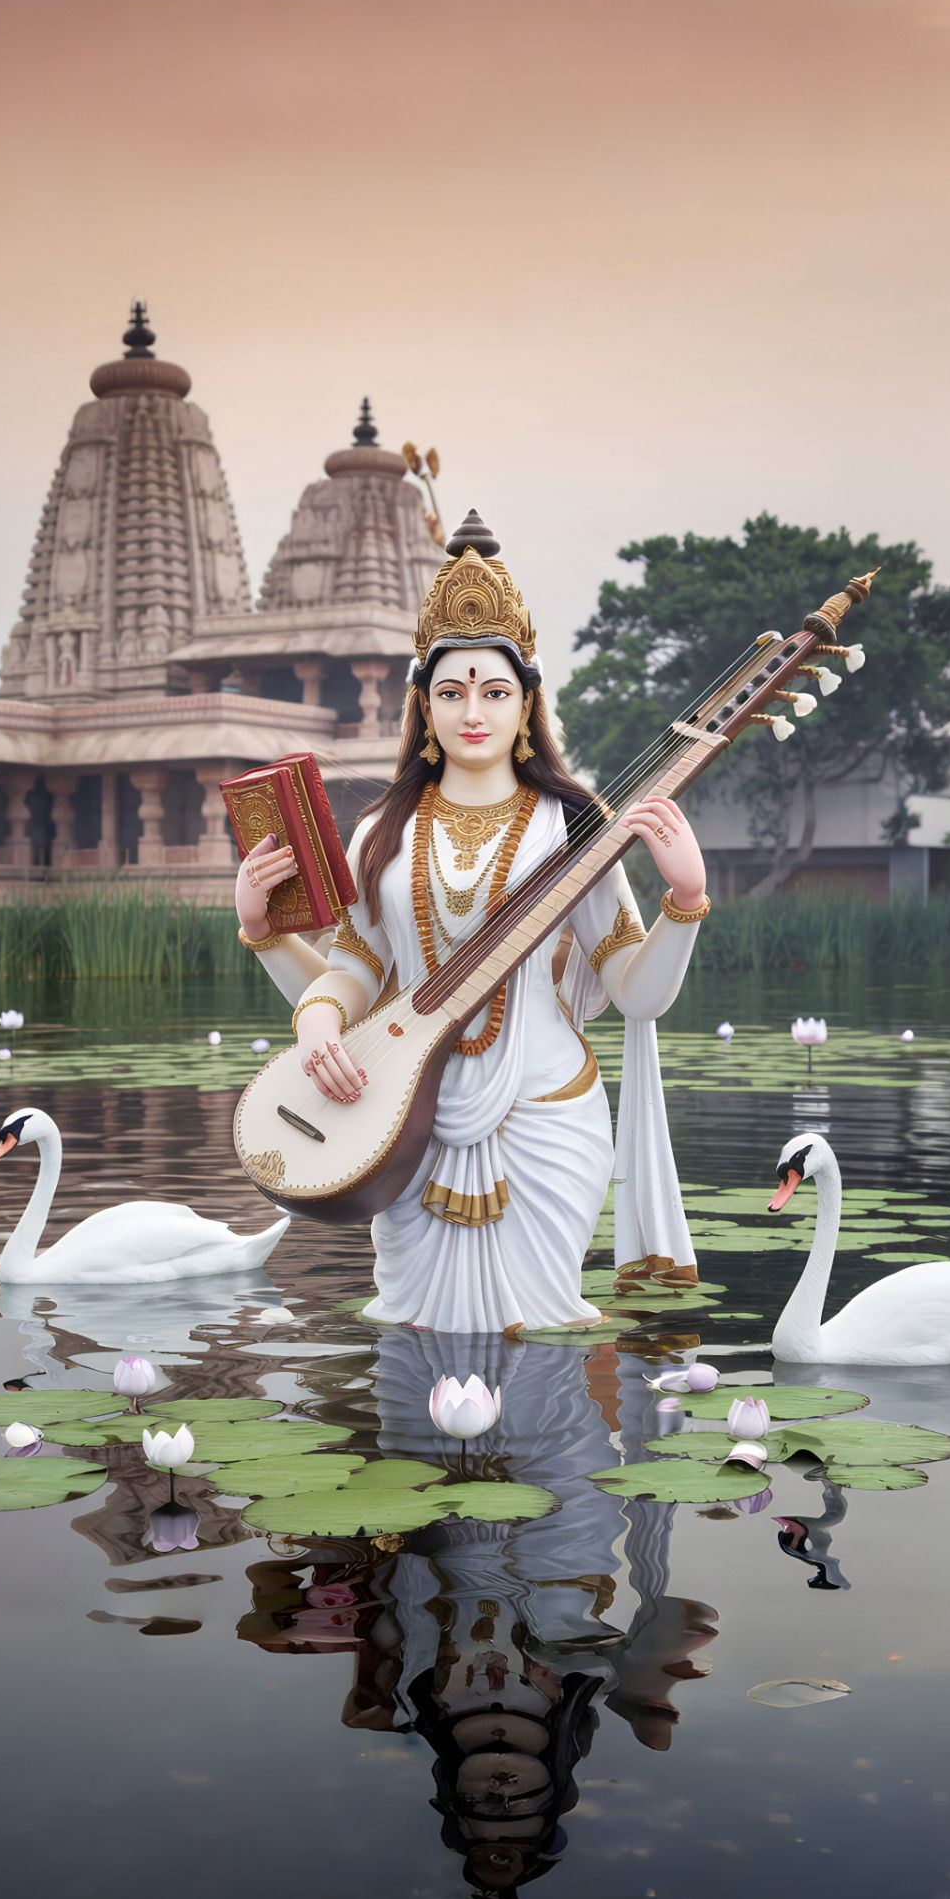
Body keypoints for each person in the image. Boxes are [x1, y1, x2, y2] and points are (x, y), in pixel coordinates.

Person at [233, 512, 710, 1334]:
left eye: (494, 692)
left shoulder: (577, 824)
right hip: (399, 1119)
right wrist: (280, 956)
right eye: (451, 693)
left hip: (547, 1118)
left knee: (546, 1336)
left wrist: (686, 901)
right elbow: (357, 971)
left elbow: (637, 996)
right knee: (414, 1336)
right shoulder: (385, 828)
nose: (473, 712)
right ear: (424, 707)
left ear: (527, 705)